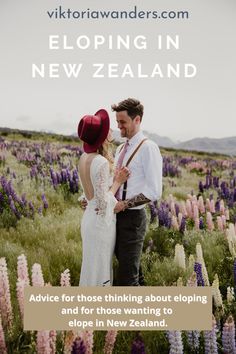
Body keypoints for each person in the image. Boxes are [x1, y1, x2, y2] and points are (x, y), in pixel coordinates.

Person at [112, 98, 163, 286]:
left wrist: (124, 204)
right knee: (132, 272)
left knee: (127, 279)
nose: (119, 126)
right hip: (116, 217)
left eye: (123, 122)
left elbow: (154, 191)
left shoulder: (149, 148)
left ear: (137, 120)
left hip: (133, 219)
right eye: (117, 122)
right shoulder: (120, 148)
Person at [77, 109, 130, 286]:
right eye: (107, 128)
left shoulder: (84, 157)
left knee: (91, 269)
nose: (112, 130)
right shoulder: (100, 161)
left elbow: (90, 194)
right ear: (102, 135)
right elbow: (102, 203)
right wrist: (118, 181)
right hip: (100, 225)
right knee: (100, 270)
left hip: (89, 221)